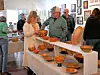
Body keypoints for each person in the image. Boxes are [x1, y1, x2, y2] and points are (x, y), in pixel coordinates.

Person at [23, 11, 39, 75]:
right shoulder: (26, 24)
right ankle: (29, 72)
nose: (34, 19)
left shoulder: (36, 24)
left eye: (35, 17)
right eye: (33, 17)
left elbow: (38, 33)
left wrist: (39, 33)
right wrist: (34, 32)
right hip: (29, 44)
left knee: (35, 60)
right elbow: (26, 34)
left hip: (35, 44)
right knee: (29, 60)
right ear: (30, 17)